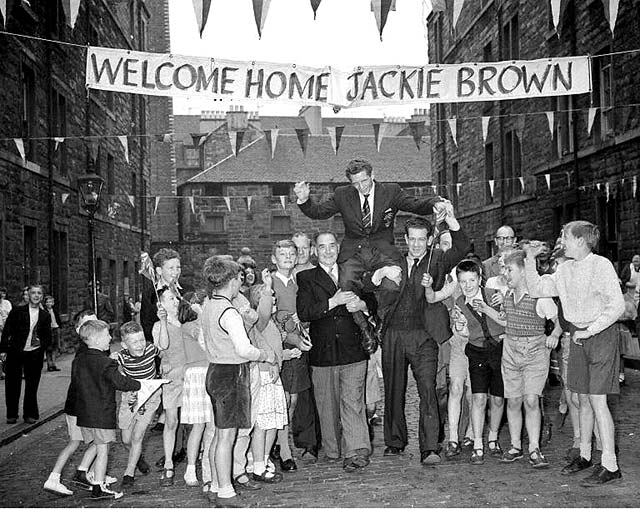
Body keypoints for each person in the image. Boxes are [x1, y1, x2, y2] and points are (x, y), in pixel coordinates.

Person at [523, 222, 625, 486]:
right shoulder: (565, 268)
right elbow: (537, 289)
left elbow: (617, 307)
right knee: (582, 399)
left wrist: (590, 331)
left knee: (598, 401)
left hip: (600, 336)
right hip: (579, 336)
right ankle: (585, 454)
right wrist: (530, 259)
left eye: (565, 236)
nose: (561, 241)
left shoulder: (601, 266)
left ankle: (610, 464)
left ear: (580, 240)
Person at [294, 159, 448, 329]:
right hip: (354, 252)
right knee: (345, 286)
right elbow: (319, 212)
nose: (361, 187)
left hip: (383, 252)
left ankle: (381, 322)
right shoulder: (342, 194)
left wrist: (435, 202)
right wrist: (304, 199)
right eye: (356, 183)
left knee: (393, 285)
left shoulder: (391, 191)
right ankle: (364, 327)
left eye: (364, 181)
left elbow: (415, 204)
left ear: (372, 175)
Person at [369, 207, 469, 464]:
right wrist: (378, 275)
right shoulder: (393, 261)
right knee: (393, 388)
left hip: (424, 335)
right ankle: (395, 441)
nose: (416, 244)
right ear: (406, 239)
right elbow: (365, 282)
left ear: (428, 239)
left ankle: (430, 447)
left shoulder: (437, 259)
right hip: (393, 333)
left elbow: (461, 247)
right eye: (411, 239)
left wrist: (451, 221)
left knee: (427, 389)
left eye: (421, 239)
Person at [200, 256, 275, 507]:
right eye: (238, 278)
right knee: (226, 437)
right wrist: (265, 355)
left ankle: (213, 484)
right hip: (231, 374)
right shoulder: (229, 312)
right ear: (231, 280)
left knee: (218, 434)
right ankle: (225, 492)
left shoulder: (209, 304)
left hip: (214, 371)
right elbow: (244, 349)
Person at [296, 231, 372, 471]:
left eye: (331, 246)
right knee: (327, 406)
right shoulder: (306, 277)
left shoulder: (352, 273)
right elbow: (305, 311)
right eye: (322, 247)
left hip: (353, 351)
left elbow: (373, 300)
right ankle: (333, 449)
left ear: (337, 249)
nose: (328, 251)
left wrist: (362, 304)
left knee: (353, 403)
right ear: (315, 252)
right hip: (323, 354)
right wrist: (333, 302)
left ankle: (357, 451)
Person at [498, 250, 561, 468]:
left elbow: (558, 319)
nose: (506, 274)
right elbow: (506, 320)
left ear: (524, 271)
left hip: (535, 351)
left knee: (532, 399)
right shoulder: (506, 295)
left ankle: (534, 448)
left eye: (509, 269)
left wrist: (554, 334)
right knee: (514, 400)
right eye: (504, 269)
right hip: (511, 351)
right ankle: (516, 446)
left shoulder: (539, 297)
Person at [43, 310, 115, 496]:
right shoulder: (86, 354)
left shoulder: (93, 351)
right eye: (88, 324)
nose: (95, 326)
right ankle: (55, 477)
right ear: (79, 331)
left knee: (99, 442)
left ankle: (85, 472)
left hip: (84, 405)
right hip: (79, 406)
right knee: (78, 442)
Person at [73, 319, 140, 499]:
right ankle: (98, 486)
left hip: (85, 413)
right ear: (95, 339)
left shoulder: (79, 360)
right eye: (106, 335)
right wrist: (139, 384)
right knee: (103, 449)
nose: (110, 338)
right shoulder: (105, 363)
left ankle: (83, 473)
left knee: (96, 444)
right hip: (101, 413)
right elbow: (120, 382)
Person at [454, 260, 506, 465]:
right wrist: (460, 327)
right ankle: (477, 442)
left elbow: (505, 317)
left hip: (499, 350)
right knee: (478, 398)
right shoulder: (459, 302)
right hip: (476, 352)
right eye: (463, 281)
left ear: (479, 279)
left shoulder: (493, 294)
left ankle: (493, 437)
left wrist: (499, 303)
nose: (468, 286)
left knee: (498, 398)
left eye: (472, 280)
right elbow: (465, 332)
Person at [271, 240, 313, 470]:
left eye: (291, 254)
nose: (287, 257)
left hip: (300, 347)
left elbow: (303, 314)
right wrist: (291, 337)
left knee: (293, 400)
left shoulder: (299, 283)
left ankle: (279, 442)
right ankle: (284, 450)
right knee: (282, 399)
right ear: (274, 259)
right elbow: (269, 320)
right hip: (282, 348)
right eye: (282, 254)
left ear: (296, 258)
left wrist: (302, 327)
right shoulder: (270, 283)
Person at [246, 274, 289, 483]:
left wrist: (286, 356)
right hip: (263, 376)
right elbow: (262, 314)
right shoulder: (259, 322)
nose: (273, 299)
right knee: (263, 424)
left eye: (273, 295)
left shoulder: (272, 324)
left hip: (274, 378)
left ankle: (263, 460)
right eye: (269, 296)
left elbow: (276, 349)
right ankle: (257, 466)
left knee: (274, 423)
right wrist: (268, 287)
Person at [113, 321, 162, 490]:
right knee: (125, 439)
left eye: (142, 340)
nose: (140, 345)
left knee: (137, 436)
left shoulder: (150, 349)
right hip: (131, 396)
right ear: (125, 345)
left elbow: (164, 349)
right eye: (134, 342)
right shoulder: (121, 356)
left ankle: (129, 473)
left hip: (150, 395)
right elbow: (107, 366)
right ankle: (138, 457)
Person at [0, 284, 51, 424]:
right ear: (28, 295)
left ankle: (29, 414)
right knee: (12, 383)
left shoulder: (45, 315)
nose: (36, 296)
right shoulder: (17, 311)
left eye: (39, 293)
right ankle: (12, 414)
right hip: (15, 352)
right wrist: (3, 350)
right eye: (33, 293)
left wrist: (41, 348)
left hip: (34, 353)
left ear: (42, 296)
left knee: (32, 385)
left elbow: (48, 337)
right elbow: (7, 331)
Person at [179, 290, 214, 488]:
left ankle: (208, 465)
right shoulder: (190, 325)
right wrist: (201, 314)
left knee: (211, 425)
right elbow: (202, 340)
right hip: (197, 374)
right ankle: (191, 467)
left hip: (208, 371)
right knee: (199, 425)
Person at [153, 287, 186, 487]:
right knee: (171, 421)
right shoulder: (158, 325)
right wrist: (164, 321)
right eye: (170, 298)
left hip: (188, 375)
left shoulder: (186, 321)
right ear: (161, 303)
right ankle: (168, 462)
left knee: (193, 421)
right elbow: (162, 346)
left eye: (176, 297)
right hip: (172, 377)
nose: (175, 301)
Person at [43, 295, 62, 372]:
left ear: (53, 303)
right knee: (49, 348)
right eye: (47, 302)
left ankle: (53, 364)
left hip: (55, 328)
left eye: (50, 302)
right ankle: (49, 364)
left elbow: (58, 319)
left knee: (55, 347)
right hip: (48, 330)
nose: (49, 303)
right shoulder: (44, 312)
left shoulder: (55, 311)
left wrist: (59, 326)